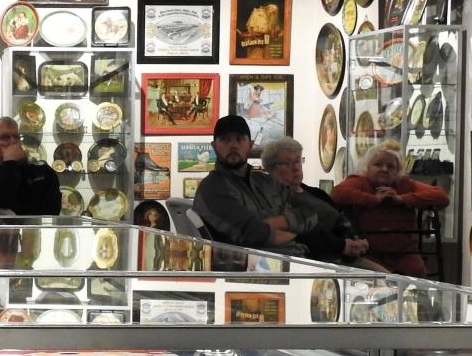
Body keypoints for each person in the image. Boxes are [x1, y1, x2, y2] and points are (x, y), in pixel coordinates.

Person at [193, 115, 318, 258]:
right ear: (214, 146)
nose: (233, 145)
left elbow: (310, 212)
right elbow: (252, 232)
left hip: (295, 259)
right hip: (257, 269)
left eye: (240, 139)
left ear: (250, 145)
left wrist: (272, 222)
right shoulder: (211, 188)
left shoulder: (265, 181)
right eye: (225, 139)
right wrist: (294, 231)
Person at [260, 137, 383, 270]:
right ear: (270, 168)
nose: (296, 167)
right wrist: (342, 245)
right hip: (322, 262)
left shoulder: (314, 192)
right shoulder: (274, 200)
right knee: (385, 278)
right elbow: (301, 236)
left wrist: (359, 238)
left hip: (348, 254)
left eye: (298, 160)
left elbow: (341, 217)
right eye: (287, 163)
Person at [330, 145, 450, 277]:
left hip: (405, 255)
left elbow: (441, 197)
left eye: (391, 166)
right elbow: (337, 194)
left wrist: (402, 199)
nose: (384, 169)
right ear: (367, 168)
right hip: (369, 254)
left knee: (417, 279)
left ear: (398, 171)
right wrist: (373, 199)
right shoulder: (360, 181)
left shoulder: (404, 184)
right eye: (378, 164)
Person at [0, 117, 59, 216]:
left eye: (16, 137)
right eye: (5, 137)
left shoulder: (44, 172)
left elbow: (52, 213)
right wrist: (10, 162)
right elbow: (3, 202)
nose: (13, 142)